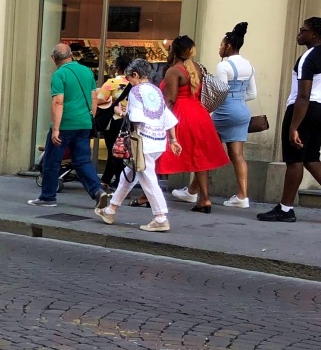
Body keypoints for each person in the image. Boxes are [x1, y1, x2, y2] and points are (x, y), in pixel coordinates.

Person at [94, 59, 182, 233]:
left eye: (130, 78)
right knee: (128, 175)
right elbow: (167, 117)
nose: (129, 82)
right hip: (158, 140)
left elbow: (135, 118)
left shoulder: (136, 92)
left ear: (135, 75)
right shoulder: (156, 90)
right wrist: (173, 140)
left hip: (142, 141)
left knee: (148, 179)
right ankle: (110, 210)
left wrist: (122, 112)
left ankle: (160, 217)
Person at [258, 17, 321, 223]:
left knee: (295, 159)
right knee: (311, 158)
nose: (299, 34)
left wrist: (294, 126)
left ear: (313, 34)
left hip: (303, 109)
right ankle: (285, 208)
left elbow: (303, 94)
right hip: (320, 110)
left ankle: (285, 209)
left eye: (303, 30)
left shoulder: (307, 58)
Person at [29, 42, 107, 209]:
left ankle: (48, 197)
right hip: (84, 123)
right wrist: (89, 117)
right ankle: (97, 191)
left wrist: (55, 129)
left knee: (51, 161)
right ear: (71, 55)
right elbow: (94, 98)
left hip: (65, 124)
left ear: (54, 58)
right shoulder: (86, 71)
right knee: (83, 161)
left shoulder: (59, 75)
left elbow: (58, 102)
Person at [155, 35, 227, 212]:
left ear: (174, 51)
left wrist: (159, 119)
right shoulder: (197, 68)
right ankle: (205, 199)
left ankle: (148, 196)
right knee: (200, 157)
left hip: (181, 115)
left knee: (158, 153)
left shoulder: (174, 71)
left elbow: (170, 100)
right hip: (200, 114)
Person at [207, 21, 257, 208]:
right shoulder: (249, 65)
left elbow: (219, 93)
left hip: (224, 112)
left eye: (221, 45)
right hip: (243, 111)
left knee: (208, 150)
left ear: (228, 46)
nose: (219, 48)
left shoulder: (224, 66)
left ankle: (194, 191)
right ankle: (243, 196)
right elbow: (253, 94)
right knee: (237, 155)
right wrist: (238, 99)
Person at [94, 52, 134, 190]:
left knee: (114, 152)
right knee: (122, 152)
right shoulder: (134, 83)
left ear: (118, 68)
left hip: (115, 121)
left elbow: (100, 99)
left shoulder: (111, 82)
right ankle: (106, 180)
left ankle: (118, 182)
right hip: (129, 121)